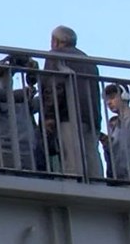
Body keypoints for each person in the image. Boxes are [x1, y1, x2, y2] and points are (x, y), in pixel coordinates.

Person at [41, 25, 104, 179]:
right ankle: (98, 190)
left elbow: (54, 86)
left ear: (55, 41)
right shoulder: (89, 61)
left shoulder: (56, 56)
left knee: (73, 161)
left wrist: (49, 116)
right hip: (90, 116)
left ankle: (76, 192)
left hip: (68, 115)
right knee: (92, 159)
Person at [0, 55, 42, 172]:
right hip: (3, 149)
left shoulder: (23, 100)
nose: (8, 78)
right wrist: (9, 63)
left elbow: (40, 102)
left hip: (26, 150)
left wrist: (33, 76)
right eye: (5, 75)